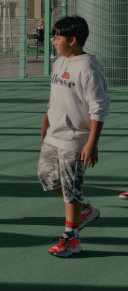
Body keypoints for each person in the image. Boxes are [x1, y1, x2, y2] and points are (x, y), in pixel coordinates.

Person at [37, 15, 109, 257]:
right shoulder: (59, 63)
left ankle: (72, 238)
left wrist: (92, 143)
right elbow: (55, 96)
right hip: (54, 135)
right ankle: (84, 210)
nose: (54, 41)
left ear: (73, 40)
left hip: (75, 139)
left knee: (71, 188)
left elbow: (98, 106)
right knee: (47, 177)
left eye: (57, 37)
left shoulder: (88, 68)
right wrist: (47, 118)